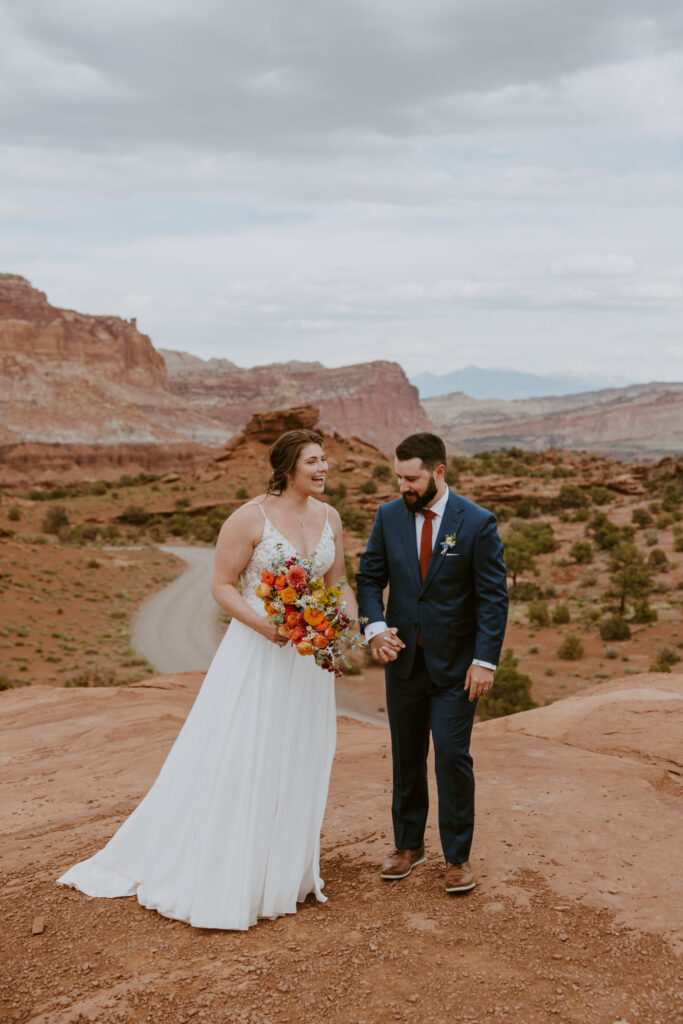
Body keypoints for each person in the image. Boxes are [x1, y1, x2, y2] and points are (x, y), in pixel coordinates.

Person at [58, 429, 355, 930]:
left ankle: (280, 875)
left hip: (308, 660)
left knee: (298, 753)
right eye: (313, 461)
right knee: (246, 752)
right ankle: (228, 874)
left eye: (325, 459)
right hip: (258, 654)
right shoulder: (248, 517)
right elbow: (221, 585)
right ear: (288, 468)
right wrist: (264, 624)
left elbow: (338, 581)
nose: (324, 468)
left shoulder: (331, 518)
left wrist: (341, 621)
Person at [356, 432, 507, 893]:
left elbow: (492, 599)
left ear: (439, 472)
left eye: (412, 478)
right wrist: (375, 628)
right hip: (403, 663)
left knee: (451, 755)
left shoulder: (477, 522)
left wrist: (485, 661)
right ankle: (408, 847)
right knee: (406, 755)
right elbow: (367, 580)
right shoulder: (387, 516)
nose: (404, 486)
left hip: (457, 668)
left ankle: (457, 858)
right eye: (398, 477)